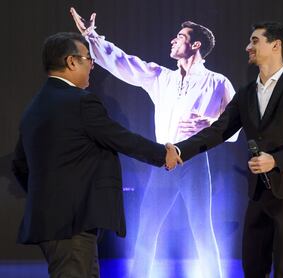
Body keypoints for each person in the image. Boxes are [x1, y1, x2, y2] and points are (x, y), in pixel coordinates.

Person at [70, 7, 239, 278]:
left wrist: (208, 124)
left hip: (194, 162)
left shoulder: (217, 82)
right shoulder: (163, 77)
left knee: (202, 229)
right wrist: (92, 36)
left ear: (195, 44)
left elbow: (236, 128)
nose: (173, 40)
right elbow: (124, 63)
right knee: (147, 228)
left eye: (180, 36)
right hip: (162, 160)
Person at [11, 32, 180, 278]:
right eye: (88, 58)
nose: (92, 64)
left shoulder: (34, 107)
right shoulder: (80, 102)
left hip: (55, 223)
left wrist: (48, 197)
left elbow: (19, 165)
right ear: (71, 62)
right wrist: (163, 154)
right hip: (72, 224)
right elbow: (120, 137)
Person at [174, 22, 283, 277]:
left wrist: (275, 160)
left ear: (276, 45)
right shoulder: (245, 94)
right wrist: (178, 151)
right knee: (253, 267)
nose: (247, 47)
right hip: (257, 193)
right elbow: (219, 131)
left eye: (255, 41)